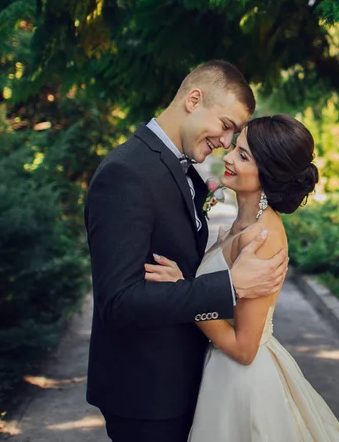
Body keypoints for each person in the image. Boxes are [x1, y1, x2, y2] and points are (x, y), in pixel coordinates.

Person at [84, 61, 289, 442]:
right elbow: (119, 300)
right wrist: (228, 286)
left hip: (185, 384)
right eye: (227, 126)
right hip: (146, 394)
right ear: (194, 99)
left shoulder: (181, 170)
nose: (226, 144)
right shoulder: (126, 173)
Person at [148, 114, 339, 442]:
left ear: (267, 172)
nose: (227, 156)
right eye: (235, 148)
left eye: (243, 155)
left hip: (241, 382)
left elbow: (245, 348)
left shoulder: (262, 237)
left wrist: (183, 296)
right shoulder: (238, 227)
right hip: (219, 371)